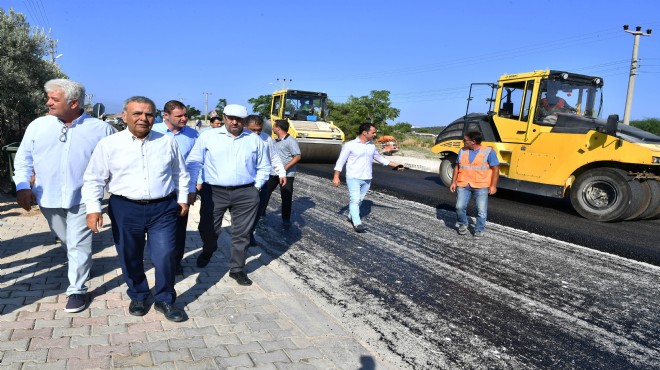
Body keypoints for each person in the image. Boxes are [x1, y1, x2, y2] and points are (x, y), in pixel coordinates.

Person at [82, 96, 190, 322]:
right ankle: (139, 294)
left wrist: (182, 199)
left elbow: (180, 173)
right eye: (137, 113)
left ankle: (165, 299)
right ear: (125, 116)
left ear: (155, 117)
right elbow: (94, 179)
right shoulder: (109, 144)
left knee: (165, 255)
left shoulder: (167, 142)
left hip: (163, 208)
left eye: (149, 114)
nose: (143, 118)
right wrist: (93, 209)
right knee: (130, 255)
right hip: (125, 208)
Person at [12, 79, 115, 313]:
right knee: (67, 240)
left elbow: (114, 162)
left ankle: (77, 290)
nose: (48, 102)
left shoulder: (101, 130)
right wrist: (22, 186)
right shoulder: (38, 126)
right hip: (47, 197)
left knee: (78, 243)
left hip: (84, 197)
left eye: (54, 99)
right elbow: (23, 159)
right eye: (48, 98)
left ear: (73, 102)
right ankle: (83, 263)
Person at [186, 104, 270, 286]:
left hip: (246, 192)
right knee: (208, 229)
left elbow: (264, 165)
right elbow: (194, 162)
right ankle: (208, 249)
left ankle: (237, 269)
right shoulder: (208, 136)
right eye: (230, 118)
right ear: (223, 117)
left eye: (239, 119)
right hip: (214, 192)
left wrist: (256, 187)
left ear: (244, 121)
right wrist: (192, 187)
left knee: (242, 233)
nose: (234, 122)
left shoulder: (254, 140)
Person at [151, 100, 198, 275]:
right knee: (156, 229)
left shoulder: (193, 135)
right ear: (166, 116)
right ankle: (158, 259)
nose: (184, 118)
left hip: (180, 191)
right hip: (156, 190)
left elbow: (196, 164)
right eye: (179, 116)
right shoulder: (153, 131)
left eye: (186, 115)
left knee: (179, 230)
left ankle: (175, 262)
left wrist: (192, 189)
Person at [333, 123, 404, 233]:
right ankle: (357, 223)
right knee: (355, 200)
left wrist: (395, 165)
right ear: (364, 133)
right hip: (353, 177)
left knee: (360, 200)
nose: (375, 135)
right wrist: (336, 176)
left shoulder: (371, 146)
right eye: (373, 132)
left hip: (367, 178)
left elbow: (379, 158)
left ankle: (351, 216)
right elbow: (341, 161)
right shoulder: (350, 145)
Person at [244, 116, 290, 240]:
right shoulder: (240, 139)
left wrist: (281, 172)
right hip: (245, 182)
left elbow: (274, 156)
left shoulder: (266, 139)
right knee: (245, 211)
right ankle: (243, 235)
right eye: (252, 130)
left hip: (262, 180)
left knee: (260, 208)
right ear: (245, 127)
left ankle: (250, 231)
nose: (256, 133)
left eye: (258, 130)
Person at [449, 130, 500, 237]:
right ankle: (463, 224)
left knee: (481, 210)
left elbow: (496, 168)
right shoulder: (462, 151)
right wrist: (453, 182)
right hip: (463, 184)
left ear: (473, 141)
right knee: (459, 207)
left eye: (465, 140)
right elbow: (457, 167)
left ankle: (479, 229)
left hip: (481, 185)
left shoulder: (488, 151)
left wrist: (493, 185)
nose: (463, 141)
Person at [253, 119, 301, 230]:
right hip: (272, 173)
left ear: (278, 128)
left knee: (286, 197)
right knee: (265, 194)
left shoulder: (291, 141)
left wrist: (284, 169)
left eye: (274, 126)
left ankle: (286, 220)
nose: (272, 128)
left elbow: (297, 156)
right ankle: (261, 213)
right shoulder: (273, 141)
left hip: (287, 175)